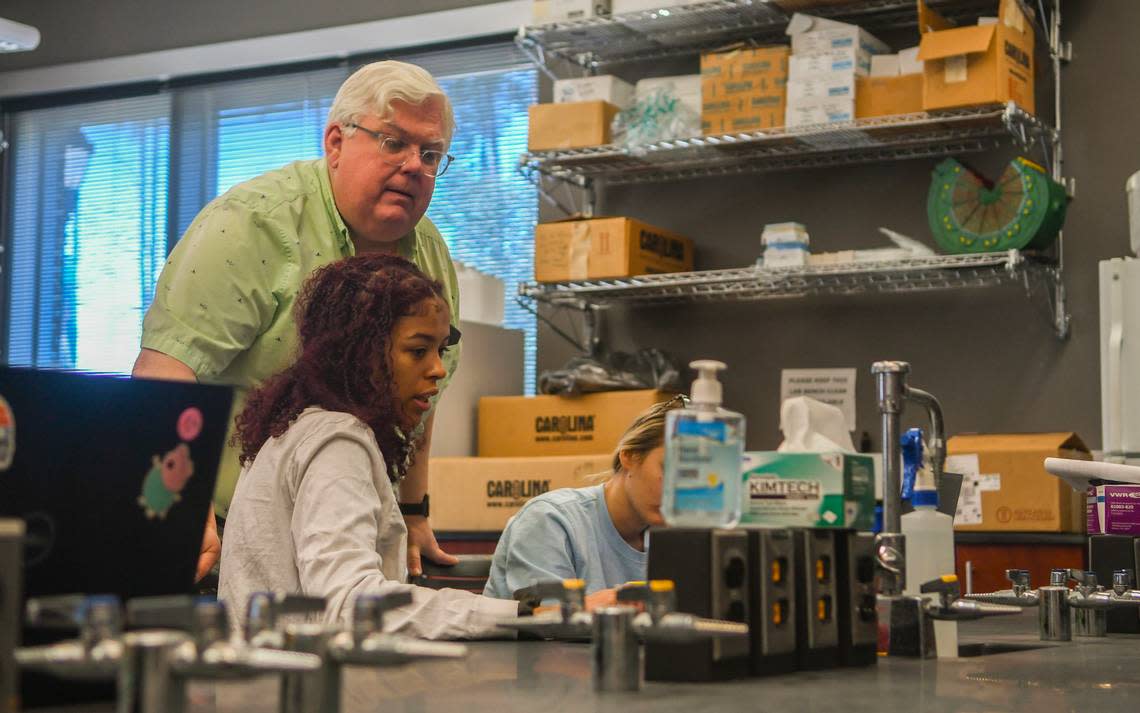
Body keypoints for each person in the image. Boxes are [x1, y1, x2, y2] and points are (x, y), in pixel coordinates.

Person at [132, 61, 461, 582]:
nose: (415, 166)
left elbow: (423, 398)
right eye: (393, 143)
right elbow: (163, 376)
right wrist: (182, 508)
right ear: (336, 142)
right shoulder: (253, 225)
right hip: (220, 524)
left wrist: (414, 510)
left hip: (347, 527)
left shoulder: (431, 255)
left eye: (430, 153)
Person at [218, 254, 517, 637]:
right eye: (418, 350)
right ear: (361, 352)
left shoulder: (292, 429)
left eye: (440, 350)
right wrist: (516, 616)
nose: (438, 369)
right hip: (299, 688)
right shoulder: (337, 442)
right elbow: (349, 604)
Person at [483, 396, 683, 600]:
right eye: (670, 470)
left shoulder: (674, 538)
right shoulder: (550, 519)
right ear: (630, 455)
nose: (680, 491)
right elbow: (543, 621)